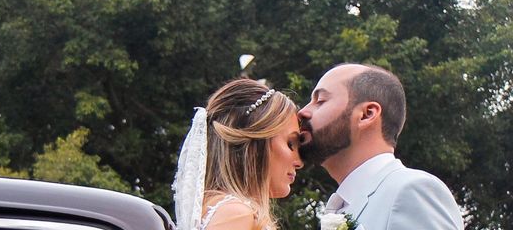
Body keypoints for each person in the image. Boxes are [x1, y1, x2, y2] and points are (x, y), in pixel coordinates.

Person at [298, 63, 464, 229]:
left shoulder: (411, 190)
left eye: (320, 101)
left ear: (366, 114)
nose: (302, 112)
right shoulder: (340, 209)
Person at [173, 78, 303, 230]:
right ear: (253, 144)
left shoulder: (225, 210)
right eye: (290, 144)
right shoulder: (235, 214)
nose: (299, 162)